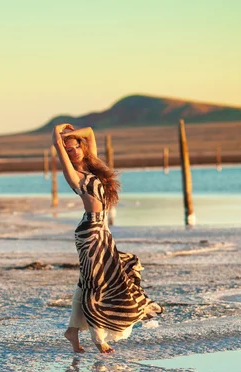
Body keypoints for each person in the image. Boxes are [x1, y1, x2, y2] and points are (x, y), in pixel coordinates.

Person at [52, 123, 163, 354]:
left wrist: (72, 134)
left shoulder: (95, 167)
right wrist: (61, 131)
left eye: (76, 147)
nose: (74, 151)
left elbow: (90, 132)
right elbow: (56, 140)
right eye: (69, 150)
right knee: (96, 283)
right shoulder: (74, 175)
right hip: (90, 233)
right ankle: (97, 338)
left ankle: (72, 331)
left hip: (103, 230)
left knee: (97, 277)